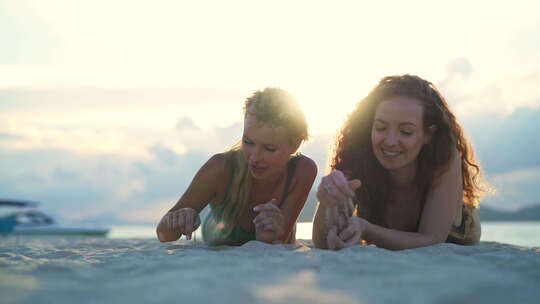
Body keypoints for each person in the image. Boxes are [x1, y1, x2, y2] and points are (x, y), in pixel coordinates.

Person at [313, 75, 485, 250]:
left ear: (428, 135)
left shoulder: (443, 156)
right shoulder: (358, 155)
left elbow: (432, 238)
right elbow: (322, 242)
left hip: (454, 236)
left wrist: (367, 230)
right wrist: (326, 203)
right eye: (381, 128)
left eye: (406, 131)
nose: (390, 141)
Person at [157, 88, 317, 245]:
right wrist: (178, 220)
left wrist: (269, 236)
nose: (254, 158)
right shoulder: (220, 168)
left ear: (295, 144)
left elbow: (279, 241)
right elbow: (163, 234)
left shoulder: (302, 170)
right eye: (248, 142)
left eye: (269, 148)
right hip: (216, 229)